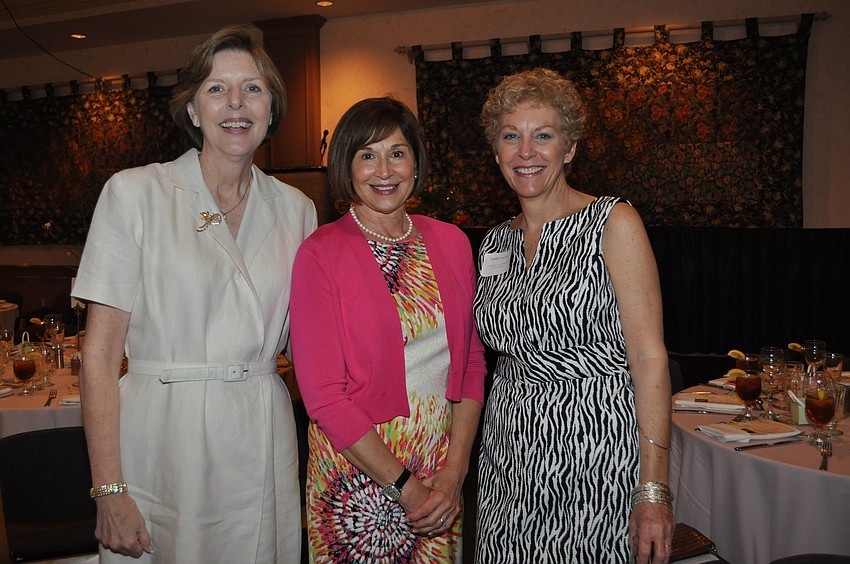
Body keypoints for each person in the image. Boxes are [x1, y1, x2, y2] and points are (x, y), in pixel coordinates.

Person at [71, 24, 317, 563]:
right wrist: (109, 490)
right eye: (216, 89)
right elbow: (100, 353)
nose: (236, 104)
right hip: (164, 436)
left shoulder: (297, 209)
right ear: (192, 110)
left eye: (252, 88)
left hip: (261, 433)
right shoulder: (135, 193)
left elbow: (310, 347)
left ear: (271, 109)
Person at [473, 68, 675, 563]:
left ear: (570, 149)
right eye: (510, 136)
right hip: (507, 459)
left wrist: (653, 491)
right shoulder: (495, 242)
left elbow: (650, 359)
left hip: (595, 453)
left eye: (543, 136)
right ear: (495, 151)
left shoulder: (613, 222)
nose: (526, 152)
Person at [289, 97, 486, 562]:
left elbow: (472, 363)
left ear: (416, 162)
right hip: (359, 474)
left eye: (397, 153)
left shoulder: (452, 242)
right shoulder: (321, 253)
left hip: (440, 468)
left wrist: (454, 472)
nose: (384, 170)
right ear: (347, 166)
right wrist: (406, 488)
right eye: (367, 154)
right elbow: (322, 395)